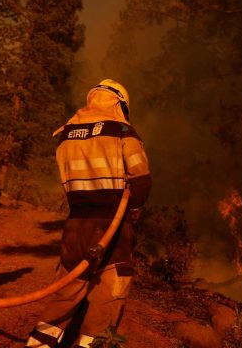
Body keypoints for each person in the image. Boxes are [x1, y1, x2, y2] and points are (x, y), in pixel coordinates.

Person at [26, 79, 151, 348]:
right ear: (119, 105)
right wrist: (135, 211)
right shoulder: (122, 131)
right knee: (109, 293)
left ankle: (39, 345)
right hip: (113, 227)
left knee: (68, 289)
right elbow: (140, 178)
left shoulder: (65, 134)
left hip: (76, 224)